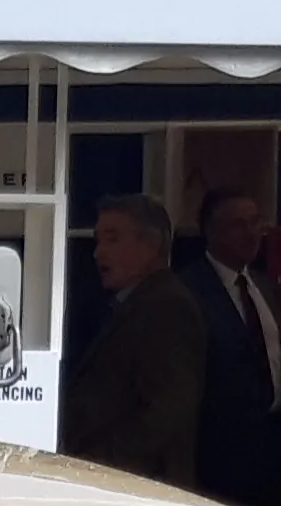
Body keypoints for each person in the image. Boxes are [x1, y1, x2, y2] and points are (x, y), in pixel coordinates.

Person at [71, 193, 204, 485]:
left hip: (139, 486)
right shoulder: (132, 304)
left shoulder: (166, 308)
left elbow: (169, 408)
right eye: (98, 240)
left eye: (112, 239)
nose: (98, 253)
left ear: (151, 245)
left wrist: (100, 463)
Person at [180, 187, 281, 506]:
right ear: (211, 231)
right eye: (238, 225)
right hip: (217, 456)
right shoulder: (188, 292)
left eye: (255, 222)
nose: (252, 233)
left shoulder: (264, 285)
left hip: (272, 448)